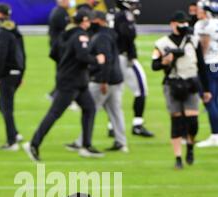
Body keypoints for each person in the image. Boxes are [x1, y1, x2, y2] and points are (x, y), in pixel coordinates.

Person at [23, 9, 105, 161]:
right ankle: (33, 143)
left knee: (89, 109)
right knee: (55, 113)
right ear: (84, 21)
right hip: (71, 82)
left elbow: (53, 53)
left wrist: (66, 63)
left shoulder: (65, 34)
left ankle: (86, 146)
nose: (90, 23)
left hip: (75, 80)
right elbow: (82, 56)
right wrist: (97, 59)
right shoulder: (81, 35)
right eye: (88, 20)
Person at [152, 11, 211, 169]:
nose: (184, 25)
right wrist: (165, 61)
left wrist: (206, 89)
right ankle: (178, 157)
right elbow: (154, 66)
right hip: (173, 84)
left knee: (192, 122)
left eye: (185, 23)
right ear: (172, 24)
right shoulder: (162, 43)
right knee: (176, 122)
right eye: (180, 22)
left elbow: (202, 65)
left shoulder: (193, 40)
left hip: (191, 82)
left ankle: (190, 146)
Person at [66, 11, 128, 152]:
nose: (89, 23)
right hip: (116, 79)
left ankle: (81, 142)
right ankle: (121, 142)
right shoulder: (109, 33)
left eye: (92, 20)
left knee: (89, 110)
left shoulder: (101, 37)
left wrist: (104, 80)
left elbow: (105, 59)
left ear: (98, 21)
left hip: (103, 80)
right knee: (115, 112)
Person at [113, 0, 154, 138]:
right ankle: (137, 125)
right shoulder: (123, 16)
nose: (135, 6)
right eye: (132, 3)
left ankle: (112, 126)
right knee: (141, 90)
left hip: (115, 57)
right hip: (124, 57)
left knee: (116, 91)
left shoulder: (115, 14)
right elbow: (127, 34)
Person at [0, 3, 26, 151]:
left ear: (1, 15)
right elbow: (23, 54)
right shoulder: (15, 30)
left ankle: (12, 142)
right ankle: (15, 133)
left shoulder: (3, 33)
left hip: (7, 75)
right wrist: (22, 73)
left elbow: (2, 57)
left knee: (6, 108)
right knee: (2, 105)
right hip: (17, 73)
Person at [195, 0, 218, 148]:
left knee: (208, 99)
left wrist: (197, 64)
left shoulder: (204, 24)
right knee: (215, 100)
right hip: (217, 63)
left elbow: (204, 45)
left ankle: (215, 135)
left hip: (209, 64)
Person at [48, 0, 70, 99]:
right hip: (60, 47)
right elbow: (66, 30)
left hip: (57, 46)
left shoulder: (58, 11)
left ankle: (55, 93)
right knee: (63, 70)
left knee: (62, 70)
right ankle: (57, 94)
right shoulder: (61, 13)